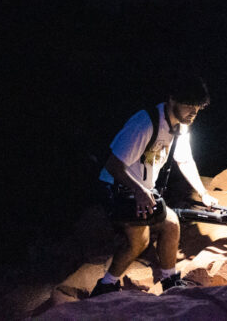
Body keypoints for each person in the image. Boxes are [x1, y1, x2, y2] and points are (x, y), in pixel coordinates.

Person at [90, 73, 219, 297]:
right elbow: (112, 165)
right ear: (172, 99)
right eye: (190, 106)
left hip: (140, 189)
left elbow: (185, 160)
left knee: (171, 224)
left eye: (198, 109)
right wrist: (139, 190)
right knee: (139, 241)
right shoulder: (145, 123)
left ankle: (170, 280)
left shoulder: (181, 127)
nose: (193, 114)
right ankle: (106, 286)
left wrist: (203, 193)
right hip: (116, 187)